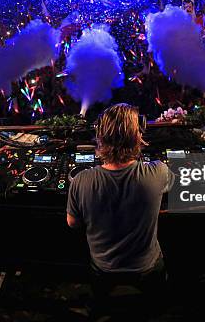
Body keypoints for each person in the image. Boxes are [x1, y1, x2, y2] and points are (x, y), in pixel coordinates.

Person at [66, 103, 174, 315]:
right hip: (146, 266)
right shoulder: (158, 172)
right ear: (137, 136)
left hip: (103, 266)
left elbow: (72, 223)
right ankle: (158, 309)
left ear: (100, 138)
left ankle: (99, 308)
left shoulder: (81, 180)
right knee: (158, 299)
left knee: (100, 296)